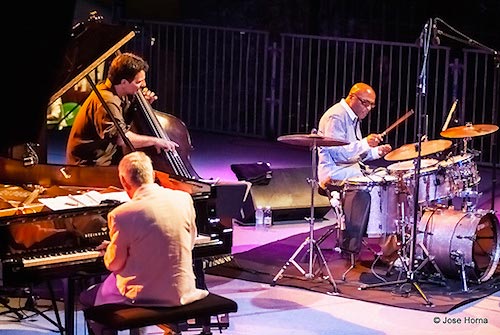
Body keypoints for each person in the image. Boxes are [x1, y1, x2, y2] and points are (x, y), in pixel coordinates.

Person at [79, 151, 209, 335]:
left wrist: (111, 249)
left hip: (143, 295)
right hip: (182, 290)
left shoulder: (121, 214)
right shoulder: (183, 199)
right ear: (153, 175)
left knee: (88, 297)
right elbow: (189, 242)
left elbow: (113, 264)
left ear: (124, 182)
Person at [317, 82, 397, 263]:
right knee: (380, 185)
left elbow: (355, 154)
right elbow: (338, 154)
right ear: (352, 97)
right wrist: (365, 143)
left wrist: (376, 152)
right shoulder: (336, 117)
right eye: (365, 103)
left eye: (372, 105)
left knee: (389, 181)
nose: (368, 108)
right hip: (335, 175)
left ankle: (389, 248)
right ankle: (367, 245)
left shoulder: (352, 118)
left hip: (351, 170)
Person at [66, 52, 178, 166]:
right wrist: (155, 141)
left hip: (106, 157)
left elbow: (125, 119)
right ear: (123, 82)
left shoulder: (120, 91)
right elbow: (121, 138)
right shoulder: (107, 100)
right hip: (89, 165)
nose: (143, 85)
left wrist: (144, 104)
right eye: (138, 82)